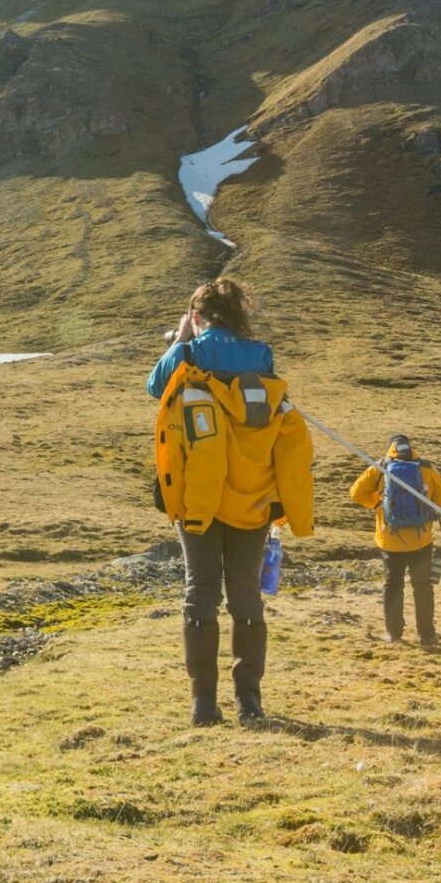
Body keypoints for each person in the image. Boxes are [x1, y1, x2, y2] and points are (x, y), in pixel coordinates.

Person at [148, 278, 314, 723]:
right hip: (254, 498)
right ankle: (249, 702)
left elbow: (154, 386)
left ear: (198, 316)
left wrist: (182, 338)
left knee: (199, 594)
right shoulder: (262, 357)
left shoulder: (188, 353)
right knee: (246, 597)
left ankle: (203, 705)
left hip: (198, 499)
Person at [349, 435, 441, 646]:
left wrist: (377, 504)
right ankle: (426, 635)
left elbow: (356, 493)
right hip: (421, 539)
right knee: (422, 587)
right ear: (411, 448)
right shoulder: (426, 468)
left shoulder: (381, 468)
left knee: (393, 586)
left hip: (390, 539)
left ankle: (393, 633)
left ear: (390, 449)